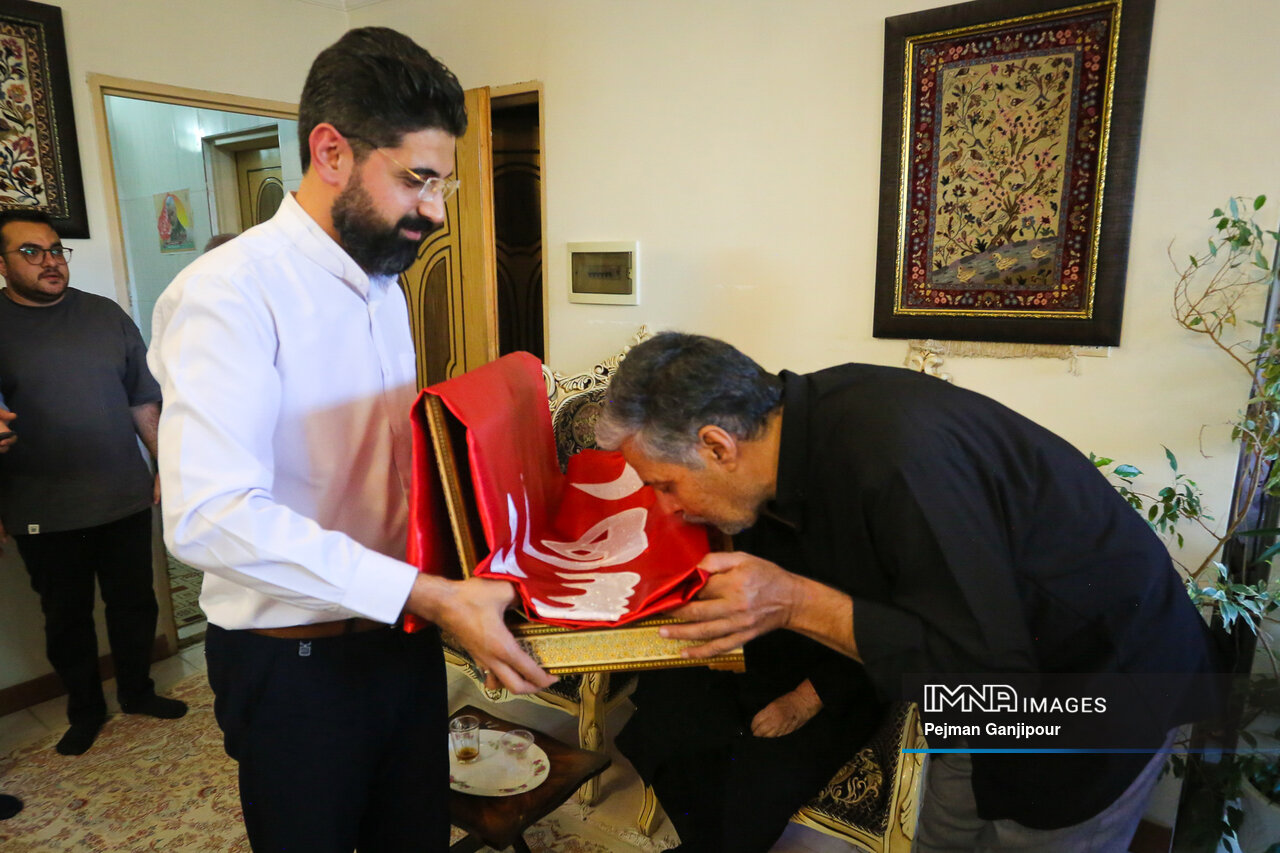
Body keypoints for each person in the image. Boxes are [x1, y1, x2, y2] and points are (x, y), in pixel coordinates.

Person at [148, 27, 554, 853]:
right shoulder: (228, 294)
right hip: (293, 665)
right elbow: (208, 517)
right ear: (331, 151)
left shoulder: (383, 283)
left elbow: (384, 467)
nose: (436, 210)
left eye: (443, 182)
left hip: (400, 640)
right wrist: (424, 593)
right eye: (416, 179)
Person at [594, 331, 1222, 852]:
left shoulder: (896, 457)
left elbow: (988, 679)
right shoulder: (805, 428)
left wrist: (793, 601)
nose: (667, 508)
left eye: (665, 485)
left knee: (1032, 832)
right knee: (948, 829)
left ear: (717, 445)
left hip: (1097, 679)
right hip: (973, 681)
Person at [0, 209, 186, 758]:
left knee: (135, 603)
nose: (50, 261)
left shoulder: (104, 314)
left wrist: (164, 466)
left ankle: (137, 691)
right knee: (66, 617)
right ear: (2, 264)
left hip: (122, 496)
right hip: (42, 506)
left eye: (56, 249)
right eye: (30, 252)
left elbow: (142, 398)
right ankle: (85, 711)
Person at [616, 516, 884, 853]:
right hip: (741, 647)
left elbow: (884, 627)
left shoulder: (866, 514)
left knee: (761, 778)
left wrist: (805, 699)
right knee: (665, 718)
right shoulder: (743, 510)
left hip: (827, 675)